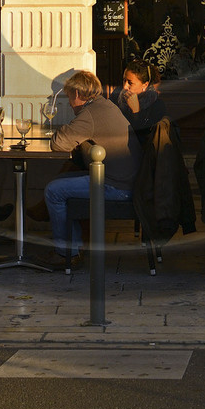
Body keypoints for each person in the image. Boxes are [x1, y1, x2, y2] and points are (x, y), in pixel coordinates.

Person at [42, 70, 141, 268]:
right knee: (65, 177)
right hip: (128, 181)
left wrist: (66, 129)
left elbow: (58, 144)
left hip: (118, 187)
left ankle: (66, 253)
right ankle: (73, 249)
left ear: (77, 95)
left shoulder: (90, 114)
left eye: (69, 97)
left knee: (53, 191)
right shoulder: (103, 105)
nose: (69, 103)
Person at [113, 59, 168, 142]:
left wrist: (136, 111)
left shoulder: (157, 105)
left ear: (145, 85)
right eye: (124, 80)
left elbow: (144, 138)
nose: (125, 86)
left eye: (130, 83)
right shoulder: (117, 96)